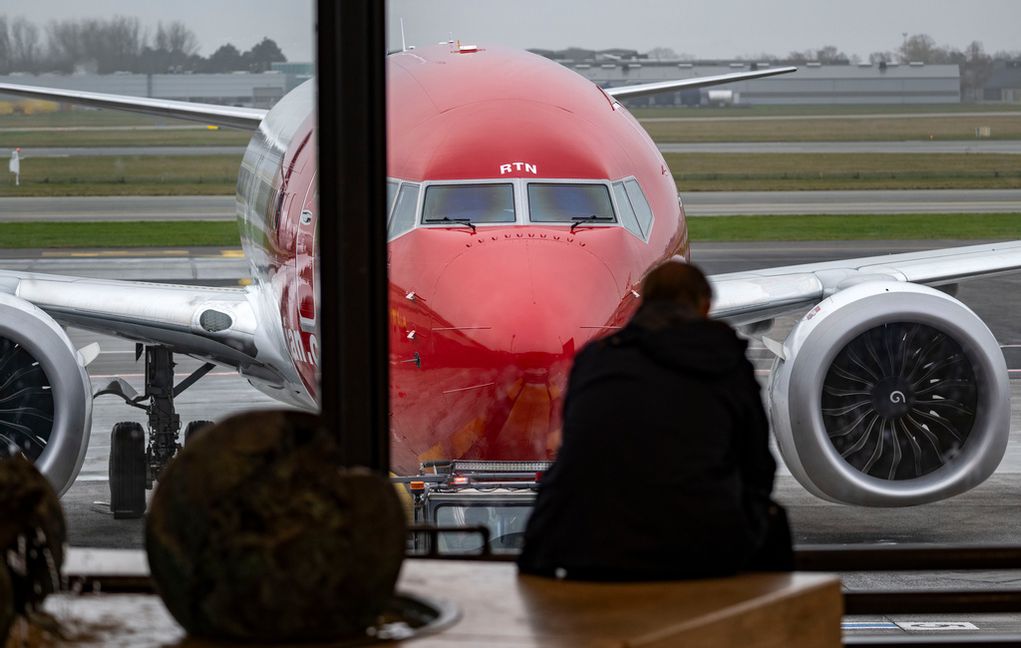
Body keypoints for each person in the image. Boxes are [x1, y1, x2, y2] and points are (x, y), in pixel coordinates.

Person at [518, 259, 790, 580]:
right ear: (705, 307)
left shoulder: (597, 359)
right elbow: (759, 468)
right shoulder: (727, 365)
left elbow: (574, 454)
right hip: (702, 547)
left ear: (643, 303)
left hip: (597, 547)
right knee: (773, 526)